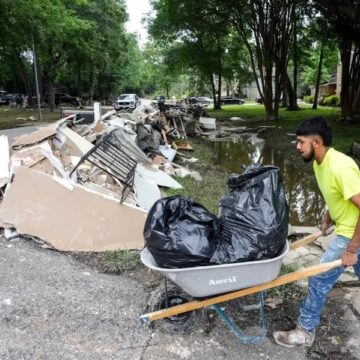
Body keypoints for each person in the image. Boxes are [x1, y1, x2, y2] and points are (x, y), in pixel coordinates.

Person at [273, 116, 360, 348]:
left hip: (352, 234)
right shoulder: (319, 163)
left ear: (317, 142)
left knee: (318, 279)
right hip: (347, 228)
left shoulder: (341, 167)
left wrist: (352, 248)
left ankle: (304, 332)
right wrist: (328, 216)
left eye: (301, 141)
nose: (297, 146)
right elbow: (337, 193)